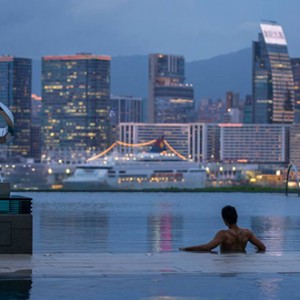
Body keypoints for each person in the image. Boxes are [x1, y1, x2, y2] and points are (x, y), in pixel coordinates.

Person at [179, 205, 266, 253]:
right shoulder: (247, 233)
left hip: (226, 261)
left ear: (224, 220)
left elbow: (207, 248)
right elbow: (262, 247)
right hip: (241, 262)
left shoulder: (224, 234)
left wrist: (186, 249)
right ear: (237, 217)